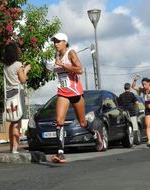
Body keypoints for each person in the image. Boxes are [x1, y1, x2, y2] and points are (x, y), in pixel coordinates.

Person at [50, 33, 103, 163]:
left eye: (58, 41)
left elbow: (79, 69)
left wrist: (62, 65)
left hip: (75, 93)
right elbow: (58, 71)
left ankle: (95, 133)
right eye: (54, 42)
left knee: (82, 123)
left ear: (65, 42)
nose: (55, 44)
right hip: (63, 92)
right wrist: (50, 68)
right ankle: (60, 153)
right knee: (59, 121)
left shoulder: (71, 53)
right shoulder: (57, 56)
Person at [3, 42, 31, 154]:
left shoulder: (5, 66)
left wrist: (21, 68)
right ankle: (15, 148)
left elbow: (13, 75)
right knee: (17, 120)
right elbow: (23, 79)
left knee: (12, 120)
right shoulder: (18, 64)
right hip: (18, 93)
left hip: (9, 93)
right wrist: (26, 69)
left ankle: (12, 147)